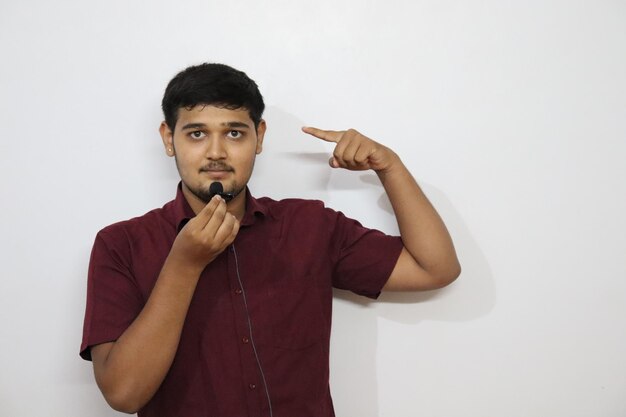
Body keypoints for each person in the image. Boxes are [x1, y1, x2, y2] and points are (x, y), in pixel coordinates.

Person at [80, 63, 461, 417]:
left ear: (259, 138)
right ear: (168, 138)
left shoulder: (309, 226)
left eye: (234, 133)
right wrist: (184, 264)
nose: (216, 152)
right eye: (197, 133)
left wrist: (389, 167)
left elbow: (435, 268)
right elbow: (123, 394)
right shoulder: (121, 245)